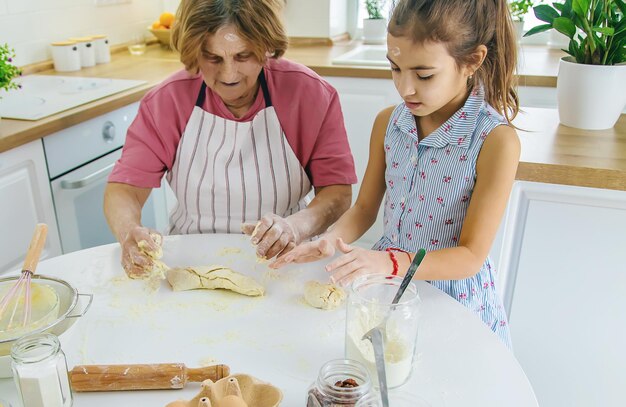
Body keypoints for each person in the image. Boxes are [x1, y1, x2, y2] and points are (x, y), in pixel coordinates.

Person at [272, 0, 520, 347]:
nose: (405, 88)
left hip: (449, 293)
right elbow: (363, 210)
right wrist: (327, 241)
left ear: (472, 61)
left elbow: (470, 257)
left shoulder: (495, 140)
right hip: (386, 282)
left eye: (424, 74)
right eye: (395, 68)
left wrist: (389, 262)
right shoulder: (389, 122)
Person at [104, 0, 356, 278]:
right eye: (213, 58)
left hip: (285, 262)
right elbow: (124, 189)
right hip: (190, 263)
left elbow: (337, 191)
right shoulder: (167, 101)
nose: (229, 74)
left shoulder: (309, 94)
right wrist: (129, 231)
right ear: (194, 52)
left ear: (265, 46)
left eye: (243, 56)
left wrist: (297, 226)